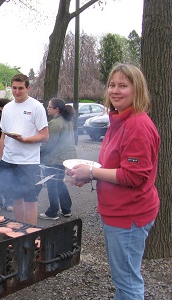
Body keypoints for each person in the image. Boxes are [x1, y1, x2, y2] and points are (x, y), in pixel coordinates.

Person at [67, 63, 160, 300]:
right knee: (123, 278)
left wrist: (91, 172)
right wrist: (88, 174)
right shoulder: (118, 119)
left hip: (129, 215)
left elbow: (134, 176)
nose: (115, 90)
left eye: (123, 85)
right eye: (111, 85)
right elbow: (113, 167)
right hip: (117, 212)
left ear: (136, 89)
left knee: (127, 281)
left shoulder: (137, 125)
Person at [0, 73, 48, 225]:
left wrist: (25, 140)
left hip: (28, 162)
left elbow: (45, 135)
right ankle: (20, 233)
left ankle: (32, 235)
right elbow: (3, 135)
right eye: (14, 88)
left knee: (30, 200)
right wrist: (2, 157)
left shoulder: (36, 107)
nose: (17, 91)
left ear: (28, 88)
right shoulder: (7, 108)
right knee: (16, 198)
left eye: (21, 88)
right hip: (9, 160)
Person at [39, 98, 77, 220]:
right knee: (60, 182)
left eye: (49, 106)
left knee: (52, 184)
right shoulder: (67, 120)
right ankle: (66, 209)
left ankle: (53, 212)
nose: (47, 108)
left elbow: (50, 144)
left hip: (55, 158)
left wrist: (39, 152)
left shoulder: (55, 123)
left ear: (56, 109)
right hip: (66, 157)